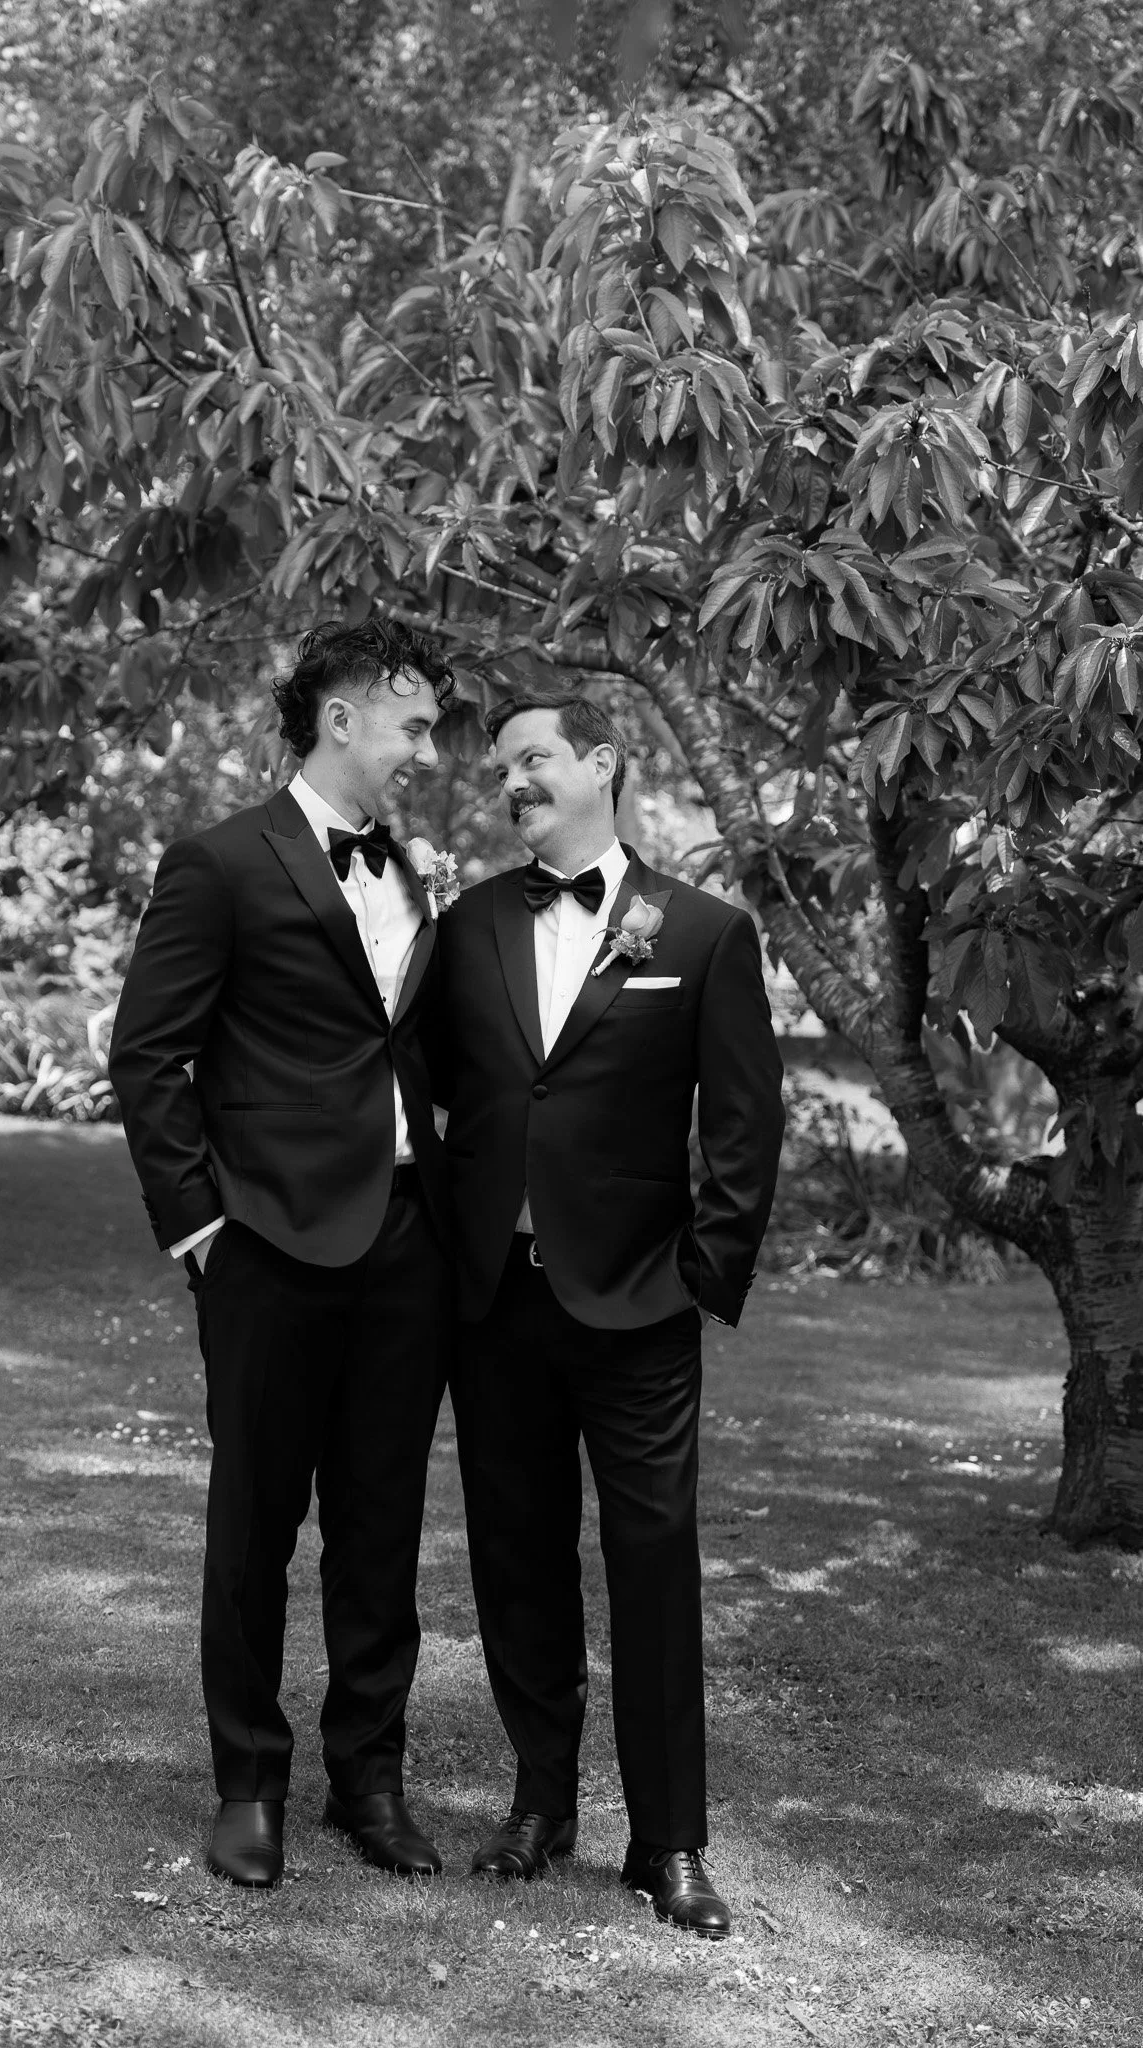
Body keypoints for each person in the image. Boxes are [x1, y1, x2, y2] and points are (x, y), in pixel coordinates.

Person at [108, 618, 454, 1888]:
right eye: (413, 723)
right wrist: (204, 1227)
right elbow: (149, 1053)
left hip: (408, 1243)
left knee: (383, 1522)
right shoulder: (218, 862)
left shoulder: (418, 872)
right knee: (256, 1519)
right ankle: (248, 1780)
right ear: (344, 717)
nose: (428, 748)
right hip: (266, 1243)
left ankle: (370, 1778)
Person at [433, 692, 785, 1937]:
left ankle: (668, 1840)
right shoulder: (469, 922)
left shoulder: (700, 930)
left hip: (639, 1307)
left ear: (601, 762)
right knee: (516, 1559)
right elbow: (430, 1097)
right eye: (501, 769)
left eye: (532, 759)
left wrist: (702, 1270)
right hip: (496, 1305)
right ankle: (540, 1803)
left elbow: (744, 1124)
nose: (511, 782)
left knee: (653, 1566)